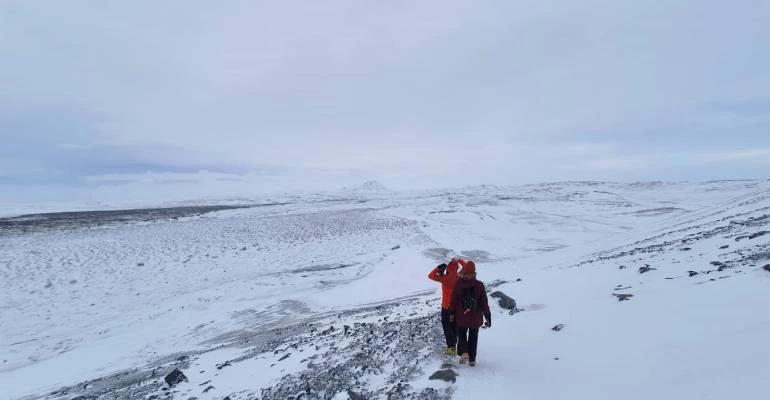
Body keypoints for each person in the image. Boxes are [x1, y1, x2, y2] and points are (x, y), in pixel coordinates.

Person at [448, 260, 491, 367]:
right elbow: (484, 302)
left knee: (461, 334)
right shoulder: (479, 285)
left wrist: (451, 313)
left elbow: (453, 301)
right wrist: (488, 317)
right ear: (474, 271)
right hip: (476, 317)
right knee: (474, 336)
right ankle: (472, 360)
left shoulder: (459, 284)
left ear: (465, 271)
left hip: (462, 316)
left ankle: (465, 352)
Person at [428, 258, 461, 355]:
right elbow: (467, 267)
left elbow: (430, 276)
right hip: (456, 308)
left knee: (447, 328)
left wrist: (438, 269)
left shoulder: (444, 278)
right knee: (454, 327)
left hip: (446, 308)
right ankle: (454, 346)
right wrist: (459, 260)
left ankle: (451, 348)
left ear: (448, 268)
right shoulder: (459, 278)